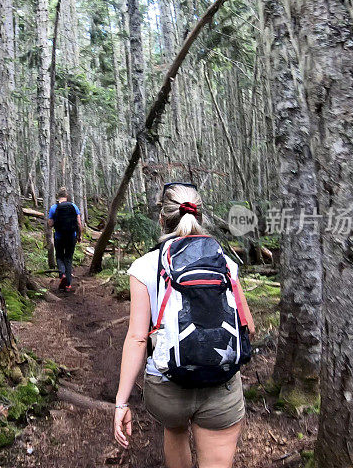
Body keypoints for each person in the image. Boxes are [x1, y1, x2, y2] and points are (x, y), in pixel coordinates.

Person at [113, 183, 256, 468]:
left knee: (175, 429)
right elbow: (248, 327)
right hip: (220, 384)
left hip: (167, 385)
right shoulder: (226, 263)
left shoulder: (144, 266)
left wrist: (121, 402)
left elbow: (138, 339)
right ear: (200, 218)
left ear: (162, 219)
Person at [47, 187, 83, 292]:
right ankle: (68, 285)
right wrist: (79, 236)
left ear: (58, 196)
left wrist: (55, 221)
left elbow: (50, 224)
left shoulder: (54, 207)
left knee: (59, 256)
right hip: (71, 236)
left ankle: (62, 274)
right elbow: (79, 223)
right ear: (66, 196)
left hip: (59, 236)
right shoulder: (73, 206)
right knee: (68, 258)